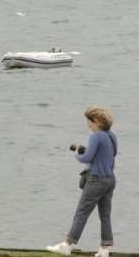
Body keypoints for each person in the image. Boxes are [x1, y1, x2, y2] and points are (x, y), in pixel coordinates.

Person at [47, 107, 117, 257]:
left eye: (89, 121)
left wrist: (77, 154)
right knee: (105, 215)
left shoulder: (96, 136)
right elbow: (110, 155)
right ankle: (104, 250)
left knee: (81, 213)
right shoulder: (112, 136)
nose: (88, 125)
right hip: (110, 180)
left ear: (97, 121)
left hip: (96, 180)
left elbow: (86, 158)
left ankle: (67, 245)